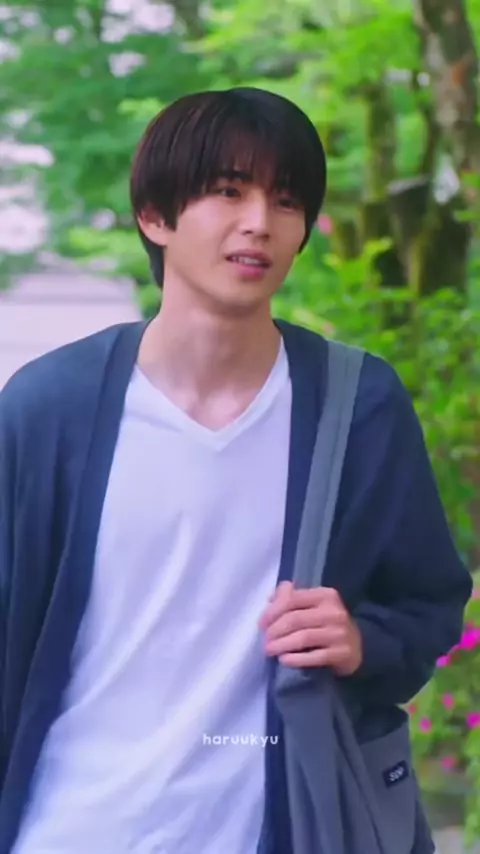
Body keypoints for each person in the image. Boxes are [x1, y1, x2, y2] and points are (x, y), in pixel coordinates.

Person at [0, 87, 472, 854]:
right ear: (155, 216)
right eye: (228, 191)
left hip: (271, 830)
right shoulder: (49, 408)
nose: (260, 222)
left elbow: (428, 601)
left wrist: (361, 640)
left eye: (286, 201)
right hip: (69, 828)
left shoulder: (355, 406)